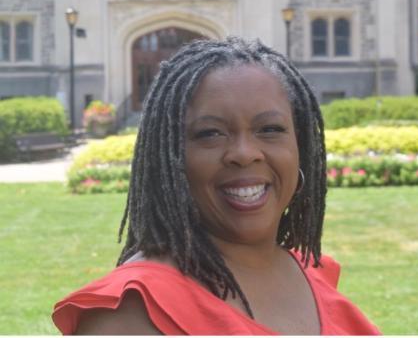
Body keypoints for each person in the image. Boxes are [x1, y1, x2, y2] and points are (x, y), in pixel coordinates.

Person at [52, 37, 381, 335]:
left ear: (302, 147)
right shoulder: (132, 314)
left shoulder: (311, 273)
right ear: (170, 157)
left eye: (269, 129)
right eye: (210, 133)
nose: (244, 154)